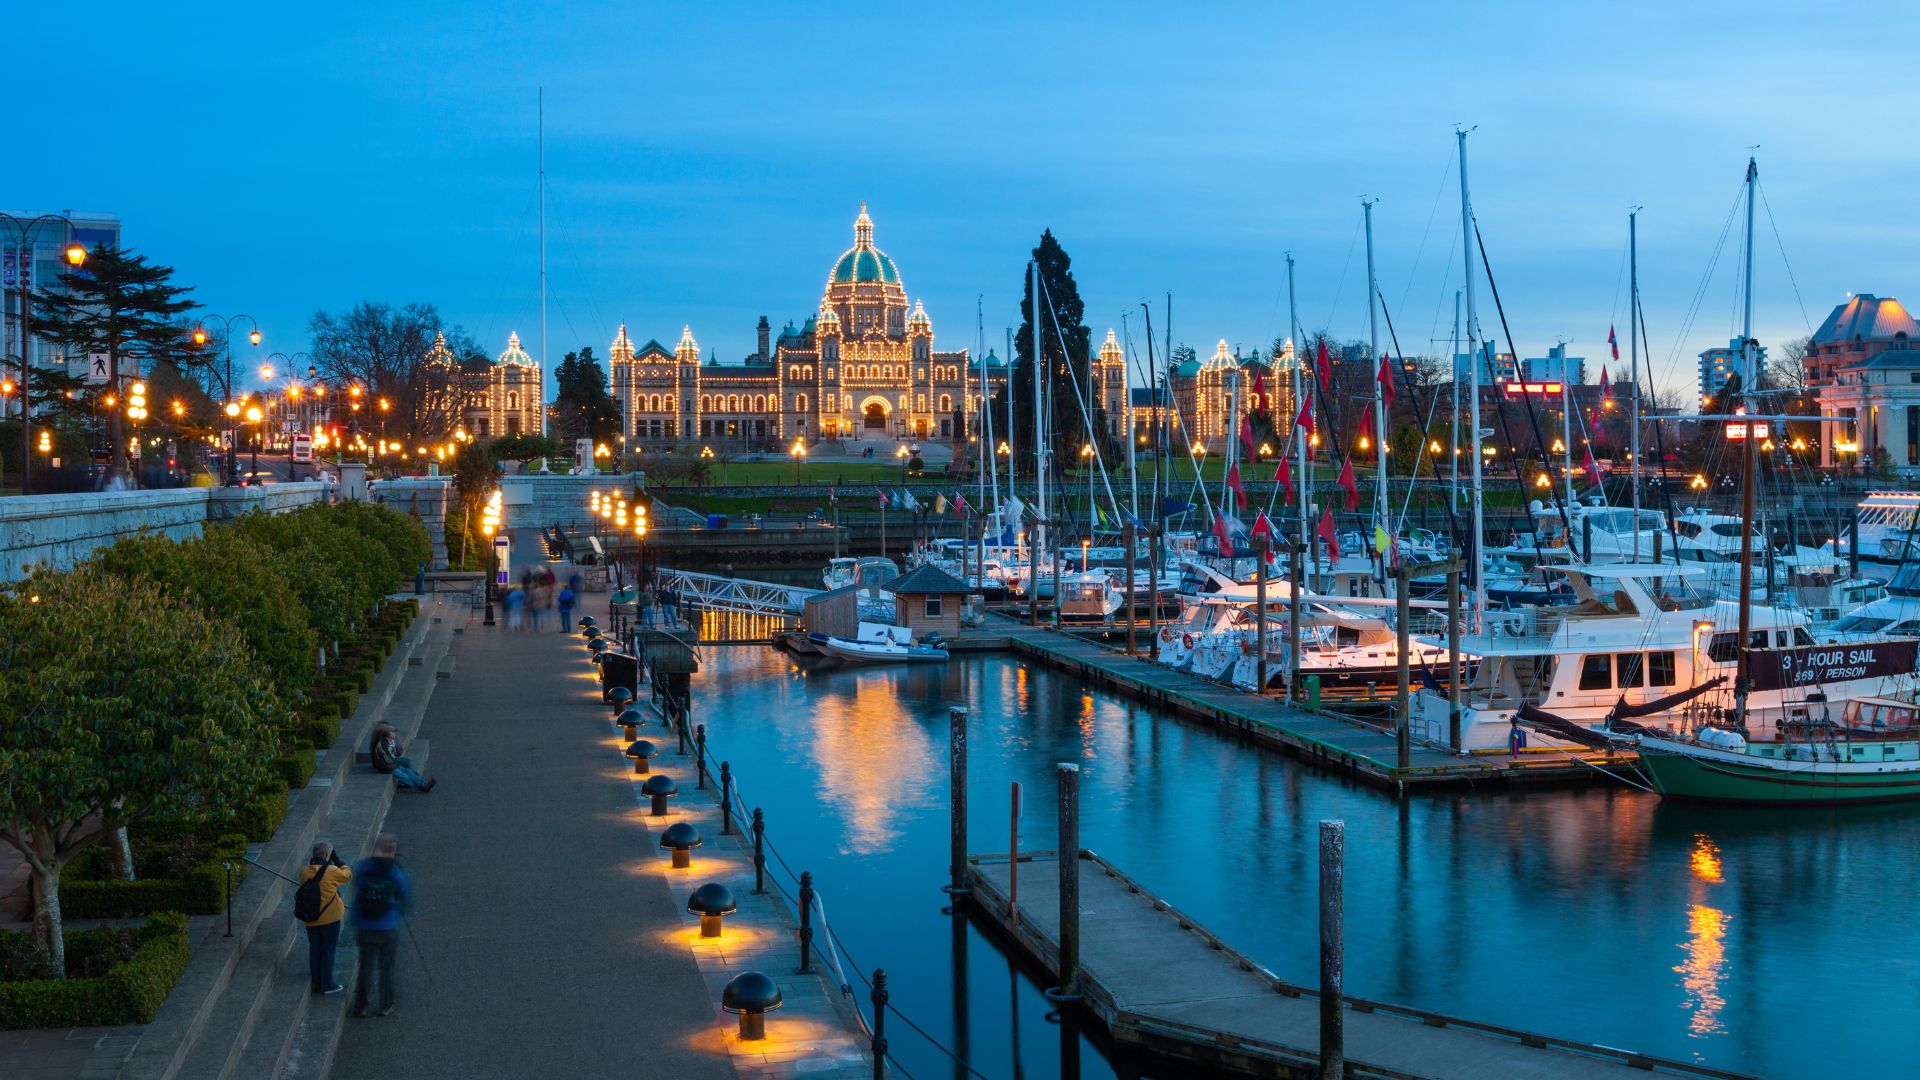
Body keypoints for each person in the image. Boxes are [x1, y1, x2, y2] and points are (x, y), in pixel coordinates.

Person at [349, 833, 413, 1019]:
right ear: (393, 851)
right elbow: (406, 897)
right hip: (387, 926)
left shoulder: (364, 867)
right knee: (386, 968)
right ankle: (386, 1004)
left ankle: (361, 1005)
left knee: (365, 968)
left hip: (365, 925)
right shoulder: (395, 872)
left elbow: (358, 887)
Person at [298, 841, 352, 995]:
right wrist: (337, 860)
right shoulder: (332, 871)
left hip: (311, 917)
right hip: (331, 917)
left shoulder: (304, 872)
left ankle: (316, 979)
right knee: (328, 950)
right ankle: (327, 984)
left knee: (315, 949)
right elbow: (348, 874)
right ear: (327, 855)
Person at [369, 722, 436, 792]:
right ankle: (420, 787)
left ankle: (424, 783)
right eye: (392, 732)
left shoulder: (390, 741)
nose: (394, 733)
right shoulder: (382, 745)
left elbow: (397, 752)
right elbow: (388, 760)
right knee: (405, 776)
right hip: (387, 768)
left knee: (409, 771)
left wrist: (395, 754)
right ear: (388, 734)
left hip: (392, 764)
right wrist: (394, 757)